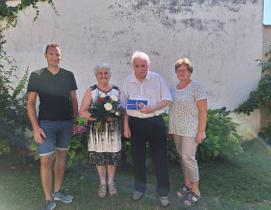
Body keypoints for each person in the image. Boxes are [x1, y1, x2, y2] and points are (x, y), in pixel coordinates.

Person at [27, 44, 78, 210]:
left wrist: (75, 122)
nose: (54, 56)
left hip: (65, 123)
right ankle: (49, 199)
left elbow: (74, 100)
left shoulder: (68, 75)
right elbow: (31, 103)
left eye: (57, 54)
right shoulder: (37, 75)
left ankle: (57, 192)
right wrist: (36, 128)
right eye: (51, 54)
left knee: (62, 157)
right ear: (45, 56)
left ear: (61, 56)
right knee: (46, 160)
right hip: (46, 125)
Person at [122, 51, 172, 207]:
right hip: (135, 123)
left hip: (154, 122)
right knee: (138, 157)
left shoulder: (157, 79)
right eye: (137, 66)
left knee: (160, 158)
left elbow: (167, 100)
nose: (140, 69)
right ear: (133, 67)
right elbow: (124, 105)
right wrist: (125, 125)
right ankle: (139, 188)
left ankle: (163, 193)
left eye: (143, 65)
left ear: (148, 65)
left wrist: (152, 108)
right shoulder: (128, 81)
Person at [169, 57, 207, 207]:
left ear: (190, 71)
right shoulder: (174, 88)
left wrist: (201, 131)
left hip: (191, 129)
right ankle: (186, 185)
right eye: (179, 70)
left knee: (188, 157)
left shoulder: (196, 87)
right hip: (177, 129)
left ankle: (195, 190)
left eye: (184, 70)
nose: (181, 72)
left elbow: (203, 111)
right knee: (182, 157)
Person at [79, 63, 122, 198]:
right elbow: (82, 112)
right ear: (96, 75)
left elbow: (121, 110)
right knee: (100, 157)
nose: (103, 75)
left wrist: (114, 115)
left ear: (109, 75)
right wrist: (100, 116)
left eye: (106, 73)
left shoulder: (116, 90)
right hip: (97, 128)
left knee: (111, 156)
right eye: (100, 73)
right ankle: (102, 183)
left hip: (112, 129)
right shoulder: (91, 91)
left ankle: (111, 182)